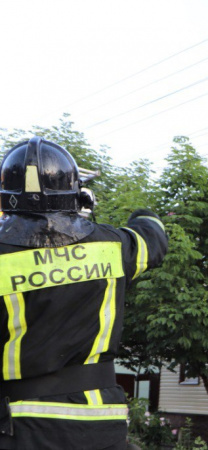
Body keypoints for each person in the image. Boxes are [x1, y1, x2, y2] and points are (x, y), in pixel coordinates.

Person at [0, 137, 168, 449]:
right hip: (103, 423)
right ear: (76, 195)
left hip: (22, 427)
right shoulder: (113, 246)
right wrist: (137, 214)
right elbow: (153, 235)